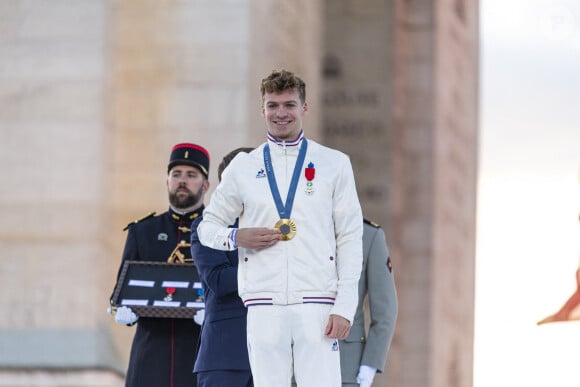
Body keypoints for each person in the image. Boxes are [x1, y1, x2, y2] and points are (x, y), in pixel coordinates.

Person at [197, 69, 363, 386]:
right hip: (262, 302)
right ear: (262, 110)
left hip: (317, 302)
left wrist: (344, 306)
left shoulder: (333, 163)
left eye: (289, 104)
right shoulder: (243, 167)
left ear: (304, 108)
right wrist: (235, 236)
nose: (281, 113)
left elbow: (350, 237)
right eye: (273, 105)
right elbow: (208, 227)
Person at [110, 143, 210, 387]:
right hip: (151, 354)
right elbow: (120, 292)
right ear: (167, 182)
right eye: (176, 175)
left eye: (191, 175)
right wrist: (121, 310)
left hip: (200, 352)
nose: (182, 181)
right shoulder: (142, 231)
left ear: (206, 185)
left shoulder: (219, 231)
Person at [190, 147, 255, 387]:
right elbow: (219, 280)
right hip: (226, 355)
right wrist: (272, 272)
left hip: (276, 352)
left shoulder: (279, 226)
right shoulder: (207, 226)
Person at [340, 219, 398, 387]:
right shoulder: (301, 228)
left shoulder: (370, 235)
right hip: (295, 362)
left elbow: (385, 308)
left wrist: (371, 362)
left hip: (346, 366)